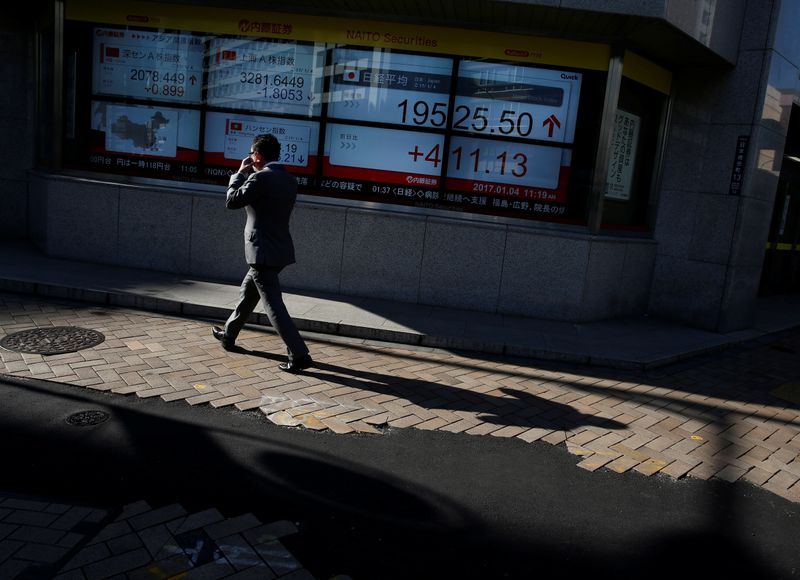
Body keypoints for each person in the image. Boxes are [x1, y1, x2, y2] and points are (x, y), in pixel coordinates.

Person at [211, 133, 313, 373]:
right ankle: (229, 334)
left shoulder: (260, 178)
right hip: (279, 249)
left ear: (256, 156)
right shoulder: (289, 179)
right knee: (248, 292)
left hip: (261, 251)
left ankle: (299, 354)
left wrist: (239, 174)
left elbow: (232, 201)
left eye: (251, 154)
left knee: (273, 305)